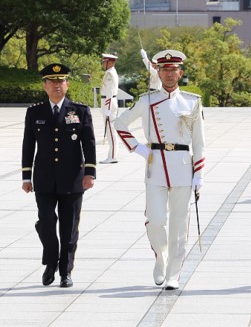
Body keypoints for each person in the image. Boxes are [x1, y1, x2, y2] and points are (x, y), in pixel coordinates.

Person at [115, 49, 205, 290]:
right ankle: (160, 256)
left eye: (173, 70)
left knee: (179, 223)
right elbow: (120, 123)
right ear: (158, 71)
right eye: (164, 69)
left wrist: (199, 174)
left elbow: (199, 142)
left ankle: (174, 273)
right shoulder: (147, 100)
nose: (168, 74)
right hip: (156, 167)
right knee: (155, 220)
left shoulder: (192, 101)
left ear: (180, 72)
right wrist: (138, 148)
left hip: (183, 167)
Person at [21, 63, 97, 288]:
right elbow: (28, 145)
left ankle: (65, 271)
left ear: (67, 84)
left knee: (69, 227)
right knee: (45, 222)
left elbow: (89, 143)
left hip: (73, 179)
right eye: (52, 82)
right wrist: (27, 176)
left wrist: (90, 173)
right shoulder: (35, 112)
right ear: (44, 85)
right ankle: (50, 261)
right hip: (44, 179)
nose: (57, 86)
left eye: (61, 81)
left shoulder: (80, 111)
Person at [100, 53, 119, 164]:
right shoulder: (110, 73)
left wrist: (107, 109)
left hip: (109, 103)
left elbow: (109, 93)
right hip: (109, 102)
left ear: (110, 62)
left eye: (104, 62)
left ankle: (112, 156)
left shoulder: (110, 74)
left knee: (110, 130)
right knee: (111, 129)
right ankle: (114, 153)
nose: (103, 64)